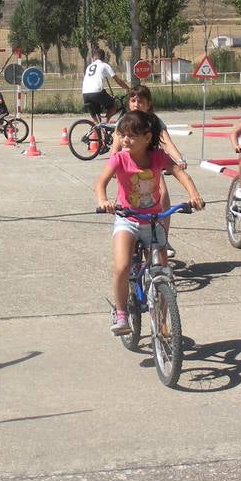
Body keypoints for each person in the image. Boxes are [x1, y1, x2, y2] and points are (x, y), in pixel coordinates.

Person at [95, 111, 204, 336]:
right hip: (127, 220)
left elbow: (181, 174)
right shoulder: (119, 158)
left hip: (153, 221)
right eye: (123, 135)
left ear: (147, 137)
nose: (126, 140)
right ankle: (122, 313)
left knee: (163, 272)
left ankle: (161, 321)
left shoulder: (158, 156)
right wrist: (103, 200)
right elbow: (101, 182)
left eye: (132, 136)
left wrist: (194, 194)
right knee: (122, 266)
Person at [108, 84, 186, 169]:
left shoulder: (154, 121)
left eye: (140, 101)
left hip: (150, 163)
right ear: (129, 103)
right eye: (133, 101)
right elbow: (116, 148)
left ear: (148, 104)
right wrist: (112, 166)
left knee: (160, 181)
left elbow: (166, 142)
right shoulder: (124, 122)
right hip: (129, 163)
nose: (136, 105)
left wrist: (179, 159)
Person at [82, 47, 130, 121]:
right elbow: (118, 80)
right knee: (113, 108)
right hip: (97, 93)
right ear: (104, 58)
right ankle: (106, 125)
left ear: (94, 57)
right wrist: (128, 88)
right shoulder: (104, 65)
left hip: (85, 94)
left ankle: (98, 130)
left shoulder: (89, 67)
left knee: (97, 119)